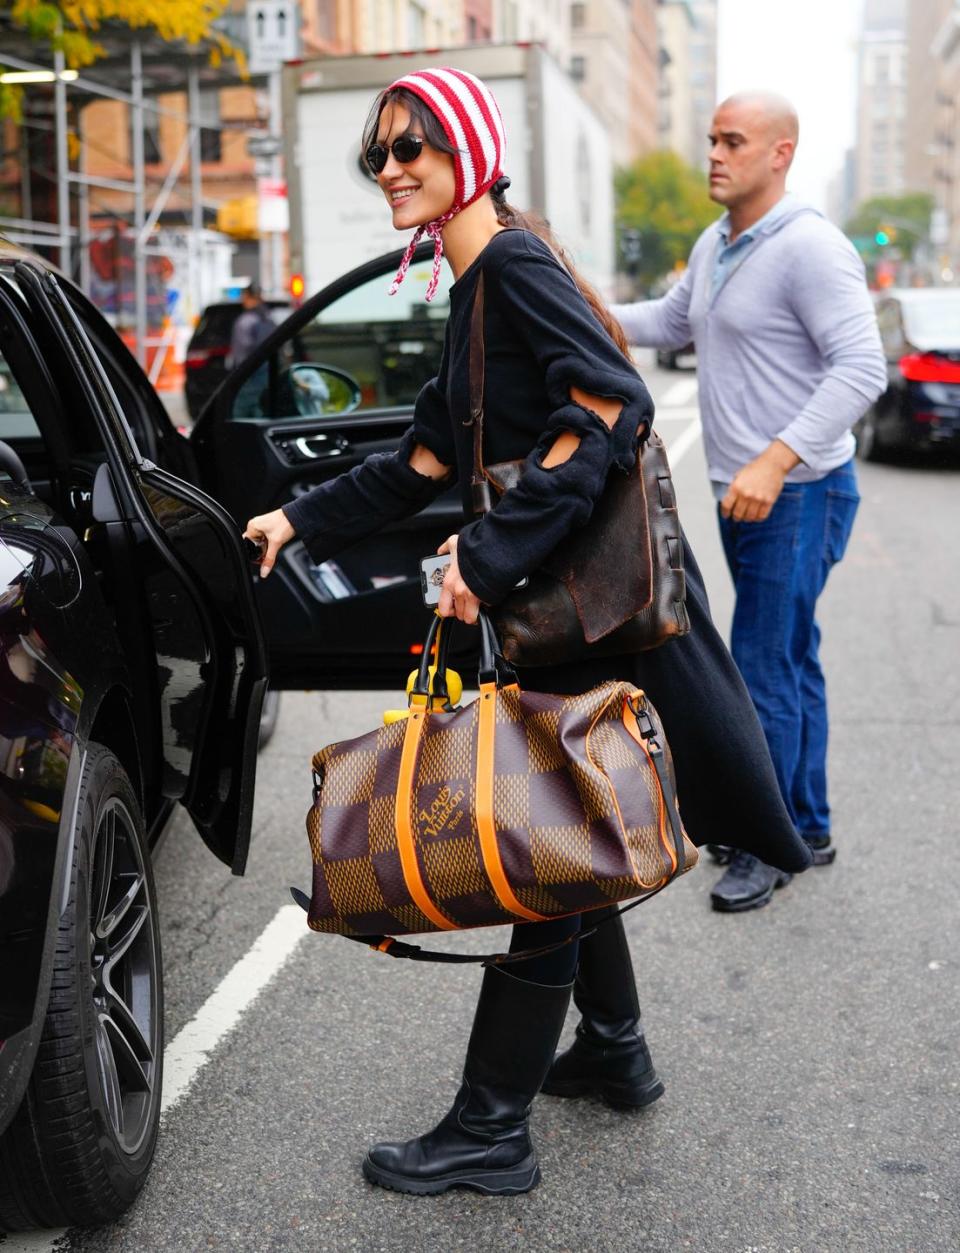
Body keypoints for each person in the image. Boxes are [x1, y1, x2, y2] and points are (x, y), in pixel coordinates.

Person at [244, 68, 812, 1197]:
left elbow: (608, 403)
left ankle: (490, 1125)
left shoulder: (509, 263)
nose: (393, 168)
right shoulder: (475, 284)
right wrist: (294, 517)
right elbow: (422, 461)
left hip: (587, 610)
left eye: (415, 147)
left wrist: (483, 559)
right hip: (564, 613)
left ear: (470, 153)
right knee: (570, 833)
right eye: (380, 154)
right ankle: (614, 1047)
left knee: (545, 851)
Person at [613, 92, 886, 914]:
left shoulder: (810, 248)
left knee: (763, 662)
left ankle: (768, 847)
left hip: (798, 492)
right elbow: (671, 319)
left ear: (782, 153)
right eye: (712, 140)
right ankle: (805, 822)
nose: (715, 155)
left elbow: (863, 367)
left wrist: (774, 459)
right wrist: (578, 307)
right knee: (789, 654)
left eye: (734, 141)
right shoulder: (719, 241)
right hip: (748, 492)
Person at [228, 283, 274, 416]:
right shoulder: (269, 318)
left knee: (240, 419)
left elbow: (241, 357)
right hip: (267, 381)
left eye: (244, 296)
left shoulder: (245, 321)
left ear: (248, 297)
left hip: (248, 382)